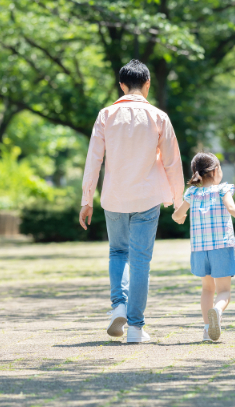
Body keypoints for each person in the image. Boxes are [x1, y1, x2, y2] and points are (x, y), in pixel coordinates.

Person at [79, 59, 185, 343]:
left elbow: (94, 160)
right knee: (140, 260)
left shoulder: (105, 115)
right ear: (147, 84)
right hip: (147, 197)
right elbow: (173, 162)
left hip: (114, 196)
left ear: (122, 85)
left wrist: (86, 198)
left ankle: (119, 306)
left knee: (117, 252)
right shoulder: (159, 117)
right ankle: (136, 328)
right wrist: (179, 201)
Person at [171, 152, 235, 342]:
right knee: (224, 291)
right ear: (215, 171)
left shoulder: (192, 193)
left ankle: (208, 329)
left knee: (207, 289)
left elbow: (176, 216)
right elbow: (232, 209)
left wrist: (180, 216)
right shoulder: (223, 189)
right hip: (221, 246)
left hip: (199, 249)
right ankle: (217, 310)